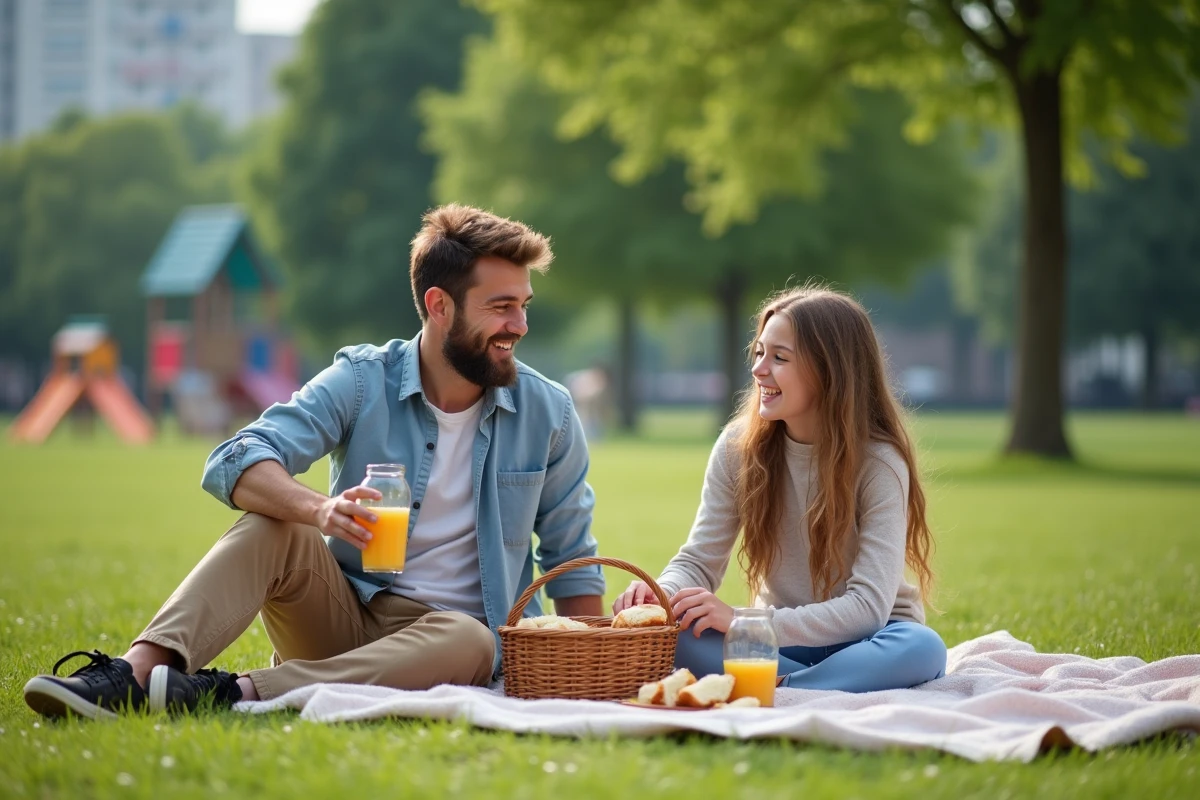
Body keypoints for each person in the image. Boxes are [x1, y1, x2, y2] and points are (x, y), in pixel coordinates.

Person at [24, 204, 605, 720]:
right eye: (501, 307)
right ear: (439, 306)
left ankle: (229, 692)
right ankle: (132, 675)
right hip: (342, 616)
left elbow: (572, 560)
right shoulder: (361, 380)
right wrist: (320, 509)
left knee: (475, 639)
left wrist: (593, 679)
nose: (520, 326)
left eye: (523, 306)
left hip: (451, 645)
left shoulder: (547, 411)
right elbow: (237, 458)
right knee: (272, 523)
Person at [613, 285, 946, 692]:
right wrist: (660, 596)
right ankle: (812, 685)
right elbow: (698, 561)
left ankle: (781, 686)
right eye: (758, 353)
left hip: (871, 638)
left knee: (923, 648)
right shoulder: (738, 448)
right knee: (679, 634)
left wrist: (740, 619)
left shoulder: (879, 463)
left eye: (779, 357)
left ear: (829, 371)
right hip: (775, 642)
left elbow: (868, 609)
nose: (758, 370)